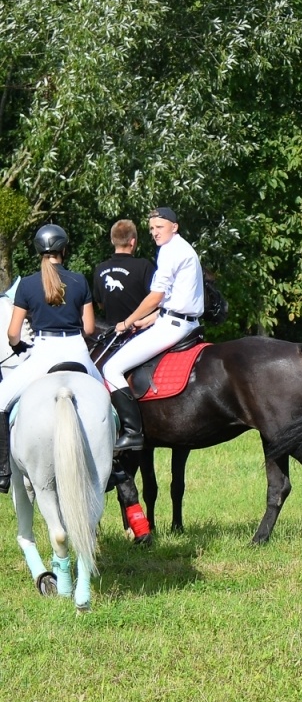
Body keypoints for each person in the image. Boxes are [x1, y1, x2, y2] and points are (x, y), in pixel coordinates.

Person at [0, 226, 101, 492]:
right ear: (64, 250)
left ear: (37, 251)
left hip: (43, 353)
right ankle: (116, 461)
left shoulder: (28, 284)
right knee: (108, 397)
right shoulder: (79, 280)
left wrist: (18, 345)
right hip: (77, 351)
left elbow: (12, 333)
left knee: (0, 400)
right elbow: (89, 329)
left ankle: (2, 471)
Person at [100, 208, 203, 452]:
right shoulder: (182, 248)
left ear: (174, 226)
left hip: (174, 326)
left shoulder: (170, 251)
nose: (154, 232)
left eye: (160, 226)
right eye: (152, 228)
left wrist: (127, 322)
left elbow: (156, 296)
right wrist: (148, 320)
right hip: (181, 321)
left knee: (110, 368)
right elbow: (178, 297)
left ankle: (133, 433)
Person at [92, 219, 156, 328]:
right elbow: (155, 301)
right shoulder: (144, 266)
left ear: (113, 241)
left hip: (112, 334)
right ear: (133, 241)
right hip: (140, 331)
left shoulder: (100, 269)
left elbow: (101, 305)